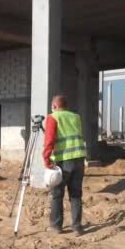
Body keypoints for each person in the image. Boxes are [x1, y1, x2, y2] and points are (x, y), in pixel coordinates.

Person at [42, 95, 86, 236]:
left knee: (57, 194)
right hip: (79, 159)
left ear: (54, 106)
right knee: (76, 194)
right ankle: (77, 227)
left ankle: (56, 226)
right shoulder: (76, 117)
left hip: (63, 161)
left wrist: (46, 159)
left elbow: (49, 140)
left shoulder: (53, 117)